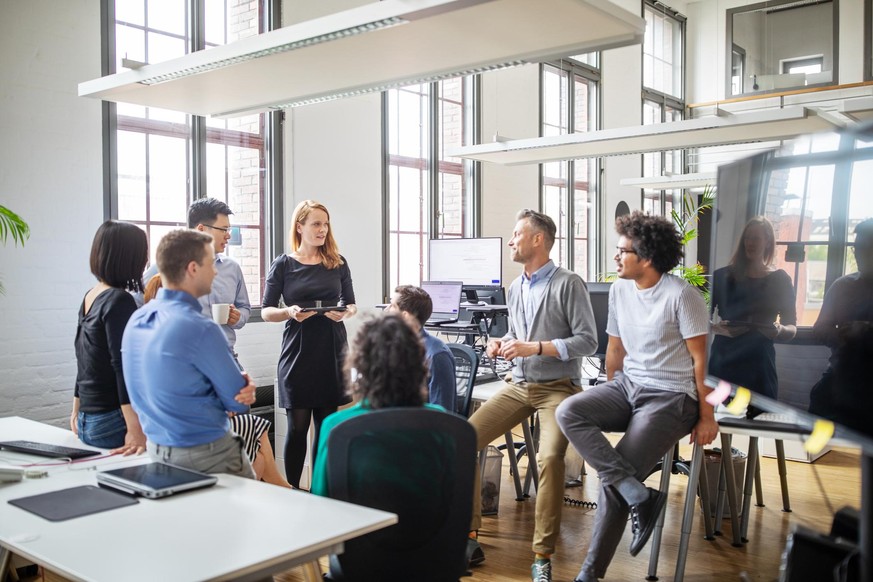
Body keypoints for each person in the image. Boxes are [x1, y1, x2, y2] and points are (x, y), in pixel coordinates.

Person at [555, 211, 718, 582]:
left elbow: (702, 362)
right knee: (569, 411)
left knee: (612, 486)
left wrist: (707, 416)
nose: (615, 257)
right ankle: (637, 493)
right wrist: (614, 392)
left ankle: (589, 575)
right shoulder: (619, 289)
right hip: (629, 386)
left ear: (645, 257)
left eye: (622, 250)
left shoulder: (682, 296)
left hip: (672, 396)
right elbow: (615, 348)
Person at [466, 209, 597, 582]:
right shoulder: (515, 286)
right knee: (464, 439)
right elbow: (517, 336)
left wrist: (534, 348)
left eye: (516, 234)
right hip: (518, 385)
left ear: (538, 239)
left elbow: (587, 341)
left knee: (551, 457)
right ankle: (468, 534)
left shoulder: (569, 283)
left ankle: (542, 554)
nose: (510, 241)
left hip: (558, 388)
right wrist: (501, 344)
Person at [122, 229, 258, 477]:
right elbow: (237, 404)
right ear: (193, 268)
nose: (215, 271)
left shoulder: (136, 320)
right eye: (210, 264)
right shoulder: (201, 328)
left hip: (157, 452)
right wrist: (240, 390)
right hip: (210, 455)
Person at [143, 274, 291, 488]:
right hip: (194, 436)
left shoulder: (148, 336)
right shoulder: (190, 337)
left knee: (255, 439)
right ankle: (278, 486)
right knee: (255, 431)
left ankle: (274, 486)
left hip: (166, 436)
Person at [261, 200, 357, 489]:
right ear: (299, 226)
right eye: (316, 224)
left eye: (325, 224)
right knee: (298, 428)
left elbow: (351, 305)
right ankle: (292, 491)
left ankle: (319, 491)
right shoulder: (284, 264)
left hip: (332, 350)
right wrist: (288, 312)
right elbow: (266, 311)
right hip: (298, 351)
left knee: (325, 430)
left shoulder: (337, 262)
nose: (322, 230)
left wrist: (344, 313)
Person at [310, 313, 444, 496]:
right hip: (428, 525)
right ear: (419, 365)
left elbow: (322, 499)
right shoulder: (440, 422)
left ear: (359, 366)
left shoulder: (336, 426)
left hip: (361, 525)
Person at [138, 198, 251, 363]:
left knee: (245, 388)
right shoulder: (167, 267)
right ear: (201, 229)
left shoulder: (232, 268)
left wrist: (238, 317)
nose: (228, 235)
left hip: (226, 356)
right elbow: (139, 302)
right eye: (224, 229)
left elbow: (245, 307)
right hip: (184, 359)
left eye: (229, 229)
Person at [71, 220, 148, 455]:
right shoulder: (119, 300)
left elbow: (84, 360)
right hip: (111, 421)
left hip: (87, 420)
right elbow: (122, 367)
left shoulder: (90, 296)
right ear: (129, 258)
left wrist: (76, 411)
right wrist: (134, 429)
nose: (145, 261)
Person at [710, 216, 797, 412]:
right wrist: (718, 329)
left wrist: (779, 330)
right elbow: (695, 317)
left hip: (759, 362)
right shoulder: (722, 276)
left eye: (756, 238)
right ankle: (725, 445)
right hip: (725, 358)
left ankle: (752, 445)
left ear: (767, 242)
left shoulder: (780, 280)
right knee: (722, 415)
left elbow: (792, 327)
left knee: (759, 418)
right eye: (747, 238)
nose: (750, 243)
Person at [809, 218, 873, 436]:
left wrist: (866, 330)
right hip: (841, 374)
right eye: (856, 249)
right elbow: (819, 328)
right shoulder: (842, 286)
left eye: (865, 249)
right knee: (818, 400)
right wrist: (841, 335)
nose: (858, 254)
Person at [386, 284, 457, 413]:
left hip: (419, 428)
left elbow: (442, 414)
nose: (387, 310)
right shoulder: (393, 346)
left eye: (392, 306)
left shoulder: (436, 356)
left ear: (405, 316)